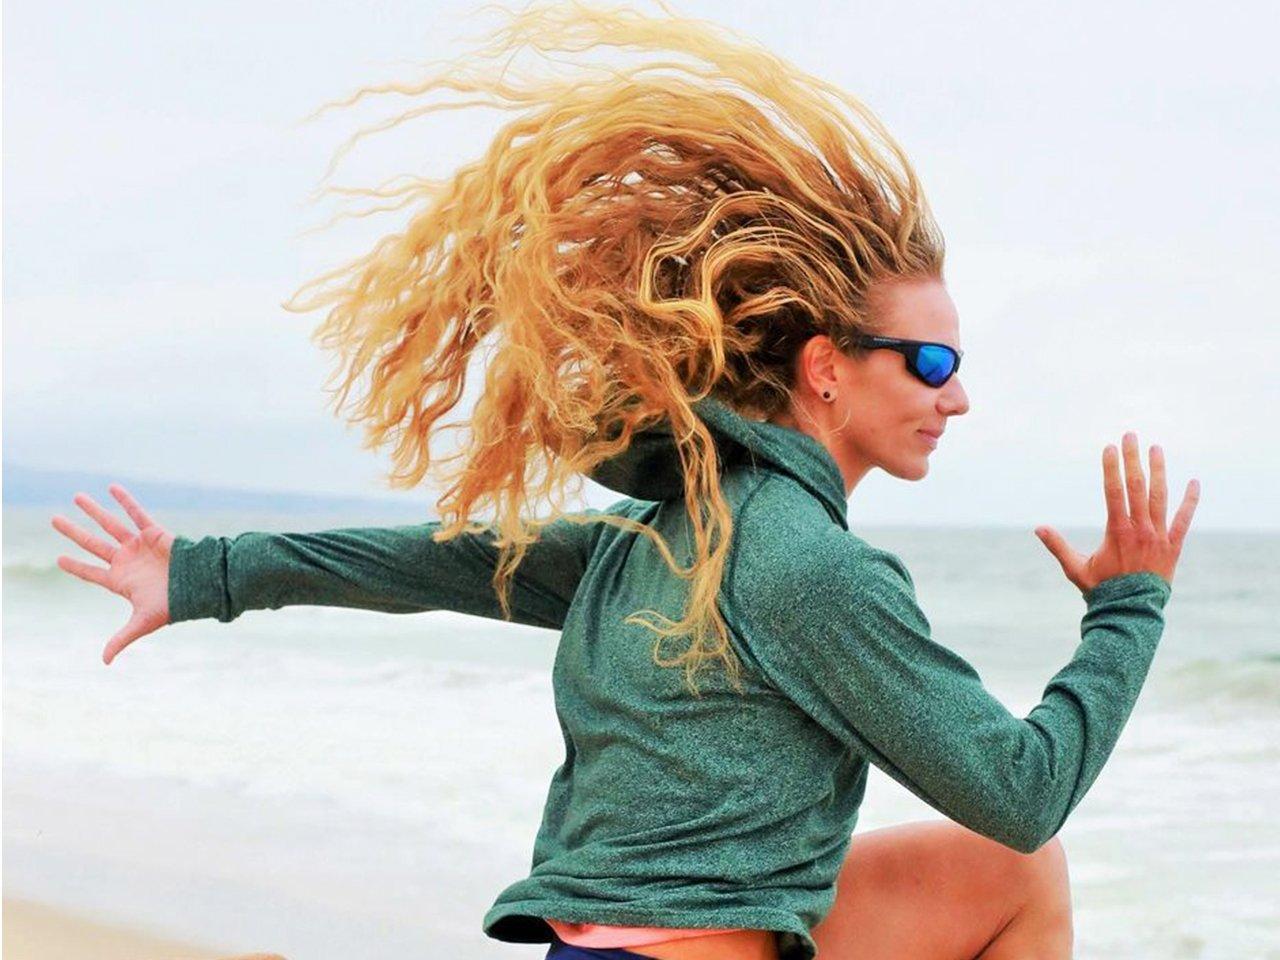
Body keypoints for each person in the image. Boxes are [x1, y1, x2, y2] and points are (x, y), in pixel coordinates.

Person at [51, 3, 1200, 959]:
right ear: (823, 369)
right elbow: (1019, 790)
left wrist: (205, 574)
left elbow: (430, 563)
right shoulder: (811, 569)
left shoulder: (655, 536)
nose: (955, 398)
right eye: (931, 364)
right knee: (1022, 859)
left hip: (586, 952)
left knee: (1003, 874)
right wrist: (1127, 606)